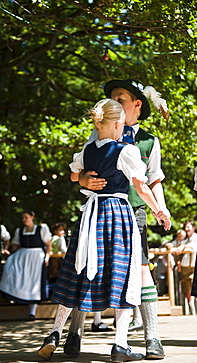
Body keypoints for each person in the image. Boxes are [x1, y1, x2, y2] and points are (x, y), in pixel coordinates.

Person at [37, 99, 165, 362]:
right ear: (118, 124)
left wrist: (82, 178)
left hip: (89, 215)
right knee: (123, 275)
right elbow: (140, 187)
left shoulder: (87, 149)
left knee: (77, 270)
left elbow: (74, 174)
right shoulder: (125, 151)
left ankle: (54, 334)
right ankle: (120, 344)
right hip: (116, 213)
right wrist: (158, 210)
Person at [0, 210, 51, 321]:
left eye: (26, 217)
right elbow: (16, 245)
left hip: (36, 258)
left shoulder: (41, 229)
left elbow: (48, 245)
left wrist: (47, 257)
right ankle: (14, 295)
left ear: (32, 217)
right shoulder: (20, 231)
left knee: (34, 284)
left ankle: (32, 313)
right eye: (23, 218)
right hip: (22, 256)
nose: (24, 220)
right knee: (14, 272)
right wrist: (9, 252)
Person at [176, 220, 197, 314]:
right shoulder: (185, 240)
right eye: (185, 227)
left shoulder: (196, 238)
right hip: (185, 268)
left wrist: (182, 247)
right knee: (187, 290)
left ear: (193, 228)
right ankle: (191, 313)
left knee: (196, 289)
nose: (186, 229)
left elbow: (192, 248)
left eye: (188, 227)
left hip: (194, 266)